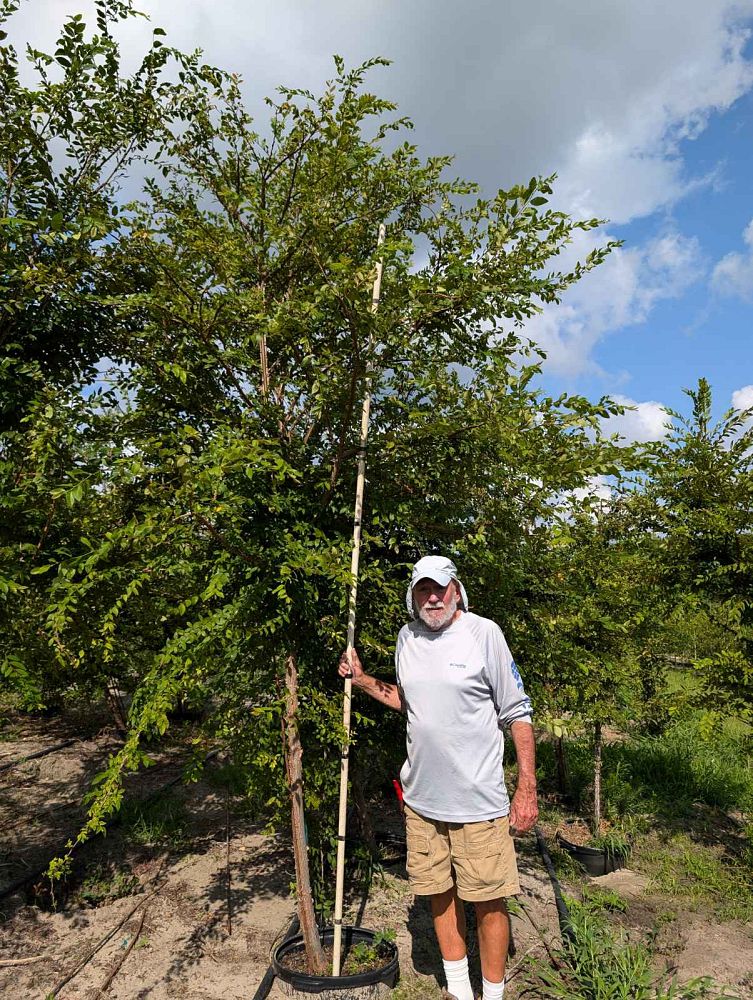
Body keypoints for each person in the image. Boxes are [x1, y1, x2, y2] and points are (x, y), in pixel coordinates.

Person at [338, 555, 538, 1000]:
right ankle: (460, 989)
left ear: (456, 590)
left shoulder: (484, 633)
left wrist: (527, 789)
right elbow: (409, 703)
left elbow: (518, 714)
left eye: (440, 588)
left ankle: (494, 992)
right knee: (439, 893)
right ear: (412, 596)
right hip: (423, 801)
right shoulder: (407, 638)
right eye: (423, 590)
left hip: (478, 802)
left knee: (488, 901)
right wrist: (365, 680)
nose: (432, 597)